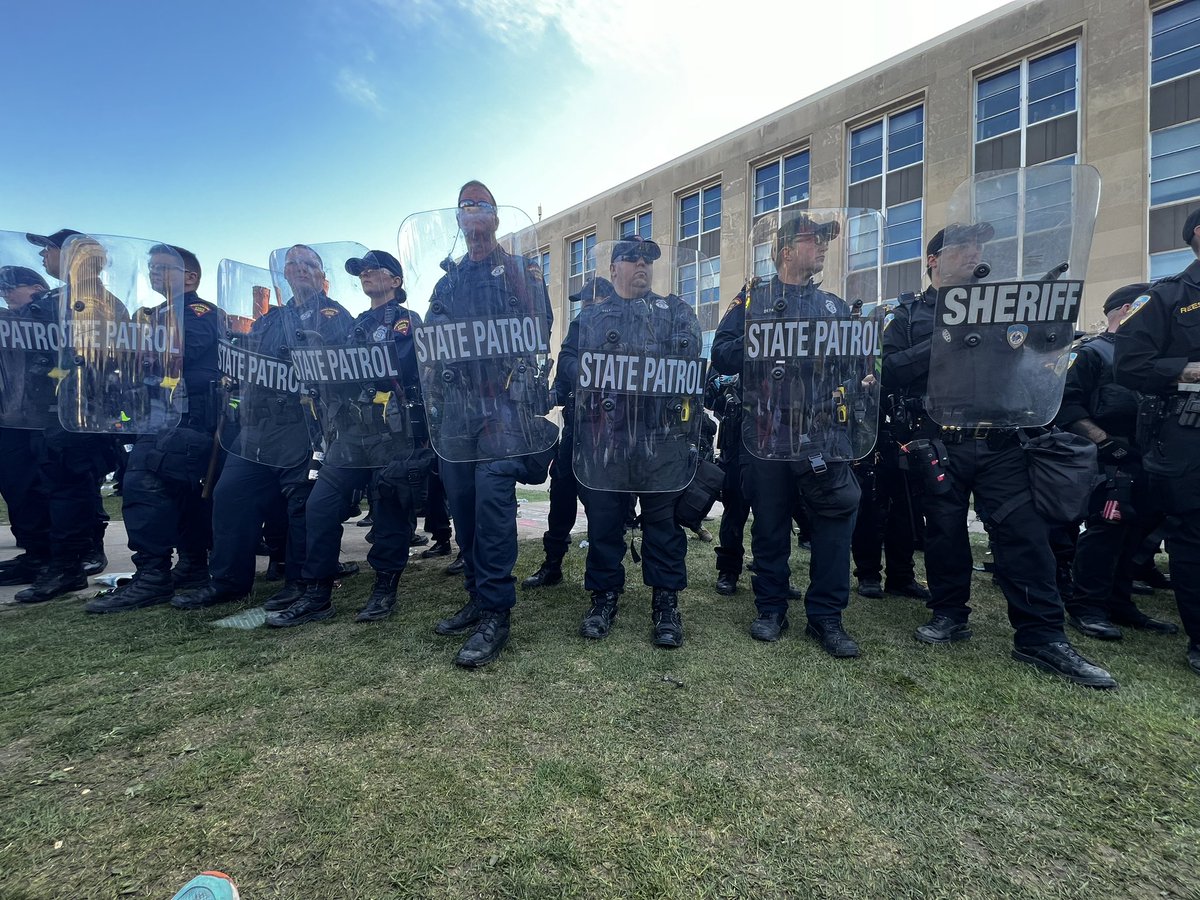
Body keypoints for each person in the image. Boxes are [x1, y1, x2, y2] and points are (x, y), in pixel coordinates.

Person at [883, 224, 1117, 688]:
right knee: (945, 534)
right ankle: (949, 613)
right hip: (941, 440)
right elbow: (889, 369)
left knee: (1025, 536)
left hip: (1002, 439)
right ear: (933, 260)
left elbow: (1046, 353)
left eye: (978, 246)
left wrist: (1052, 313)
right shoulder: (909, 312)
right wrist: (951, 335)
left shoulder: (1004, 303)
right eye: (961, 247)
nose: (973, 253)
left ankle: (1041, 635)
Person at [711, 215, 863, 657]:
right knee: (771, 524)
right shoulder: (752, 301)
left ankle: (826, 618)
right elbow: (721, 354)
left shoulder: (833, 308)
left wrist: (861, 380)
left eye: (824, 241)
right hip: (767, 432)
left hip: (821, 434)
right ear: (785, 251)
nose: (821, 247)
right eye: (812, 239)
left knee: (832, 525)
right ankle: (771, 608)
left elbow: (857, 368)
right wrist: (766, 341)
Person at [174, 245, 354, 611]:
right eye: (293, 264)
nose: (300, 269)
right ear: (284, 274)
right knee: (230, 495)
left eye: (309, 264)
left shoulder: (334, 315)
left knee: (302, 505)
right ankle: (228, 581)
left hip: (306, 424)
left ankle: (303, 583)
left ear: (322, 276)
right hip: (258, 426)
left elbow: (340, 369)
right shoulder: (271, 319)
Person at [424, 181, 557, 667]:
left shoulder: (522, 271)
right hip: (458, 406)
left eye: (481, 205)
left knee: (493, 501)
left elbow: (539, 328)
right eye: (465, 207)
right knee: (463, 505)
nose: (473, 214)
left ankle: (497, 611)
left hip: (502, 405)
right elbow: (431, 343)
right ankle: (477, 595)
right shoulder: (448, 281)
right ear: (458, 221)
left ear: (496, 219)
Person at [266, 250, 426, 626]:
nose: (367, 275)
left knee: (388, 511)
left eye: (375, 270)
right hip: (351, 434)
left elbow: (400, 369)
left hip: (392, 435)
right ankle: (317, 592)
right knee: (320, 507)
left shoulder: (407, 322)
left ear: (396, 281)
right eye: (362, 272)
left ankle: (384, 589)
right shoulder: (353, 324)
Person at [560, 240, 698, 646]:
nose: (642, 264)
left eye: (648, 260)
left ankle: (666, 603)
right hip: (608, 435)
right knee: (604, 521)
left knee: (663, 523)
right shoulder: (591, 317)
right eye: (633, 258)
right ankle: (603, 598)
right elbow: (567, 360)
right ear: (614, 267)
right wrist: (595, 371)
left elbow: (692, 361)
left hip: (661, 435)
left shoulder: (674, 311)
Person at [86, 245, 223, 613]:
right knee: (181, 495)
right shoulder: (154, 314)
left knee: (142, 484)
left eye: (164, 268)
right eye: (151, 268)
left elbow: (181, 352)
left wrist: (126, 345)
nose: (154, 273)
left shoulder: (198, 312)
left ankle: (152, 576)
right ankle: (193, 566)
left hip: (187, 418)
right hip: (158, 416)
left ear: (190, 277)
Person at [1055, 283, 1179, 640]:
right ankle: (1087, 605)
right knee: (1106, 531)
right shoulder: (1091, 354)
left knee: (1135, 532)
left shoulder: (1150, 360)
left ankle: (1120, 603)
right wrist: (1106, 444)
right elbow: (1067, 406)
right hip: (1110, 460)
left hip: (1151, 458)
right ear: (1128, 310)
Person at [1113, 208, 1200, 677]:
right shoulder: (1166, 298)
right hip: (1189, 431)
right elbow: (1129, 366)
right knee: (1194, 536)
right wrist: (1191, 371)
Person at [13, 229, 119, 604]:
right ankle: (50, 560)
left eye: (50, 249)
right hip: (45, 412)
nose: (43, 257)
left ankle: (68, 566)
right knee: (48, 488)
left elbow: (94, 361)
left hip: (75, 412)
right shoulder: (58, 298)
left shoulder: (92, 302)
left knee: (68, 491)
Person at [523, 279, 610, 590]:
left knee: (600, 507)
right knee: (560, 498)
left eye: (589, 298)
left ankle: (602, 576)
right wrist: (537, 400)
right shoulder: (579, 327)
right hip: (575, 430)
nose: (584, 305)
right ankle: (552, 564)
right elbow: (561, 385)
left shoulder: (616, 327)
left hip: (608, 434)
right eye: (582, 300)